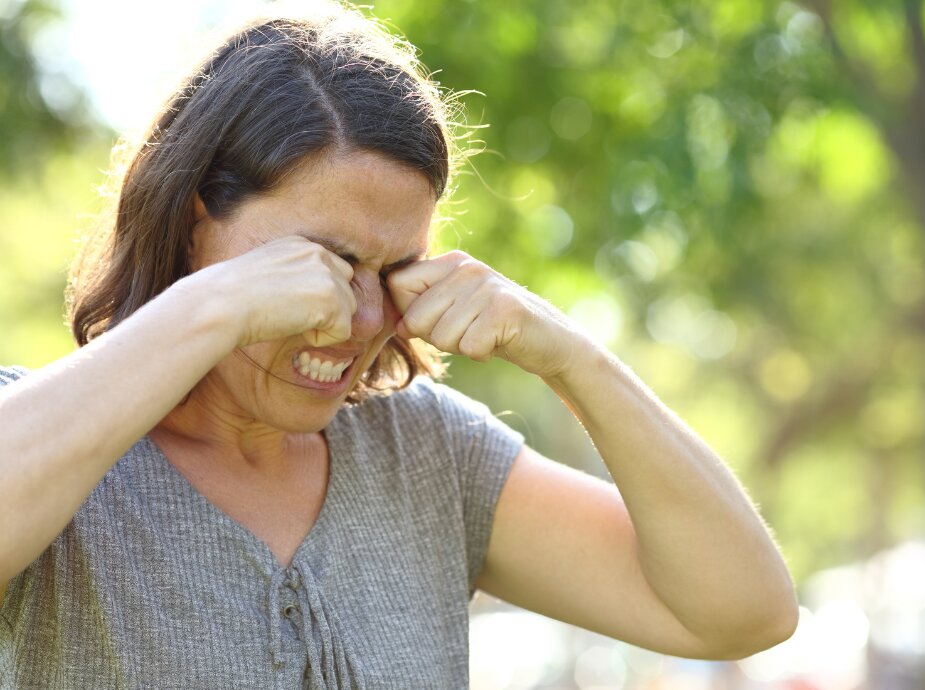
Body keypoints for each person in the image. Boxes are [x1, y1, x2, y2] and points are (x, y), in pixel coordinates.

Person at [0, 4, 799, 688]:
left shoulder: (428, 455)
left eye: (394, 269)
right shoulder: (48, 438)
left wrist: (571, 359)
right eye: (323, 261)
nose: (358, 317)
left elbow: (744, 611)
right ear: (192, 220)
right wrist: (208, 310)